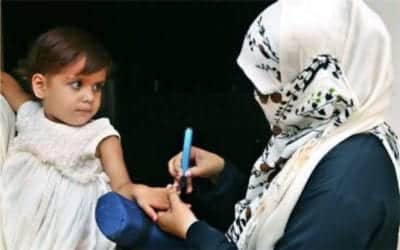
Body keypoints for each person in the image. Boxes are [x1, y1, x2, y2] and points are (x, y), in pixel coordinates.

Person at [156, 0, 400, 249]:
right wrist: (222, 175)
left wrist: (191, 230)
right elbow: (281, 214)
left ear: (323, 85)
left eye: (274, 94)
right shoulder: (322, 137)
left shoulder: (350, 178)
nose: (262, 102)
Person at [0, 27, 169, 250]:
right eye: (77, 84)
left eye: (97, 86)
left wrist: (141, 192)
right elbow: (5, 82)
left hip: (71, 237)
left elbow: (122, 185)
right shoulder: (30, 114)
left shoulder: (101, 135)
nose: (90, 97)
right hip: (19, 231)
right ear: (40, 86)